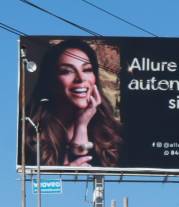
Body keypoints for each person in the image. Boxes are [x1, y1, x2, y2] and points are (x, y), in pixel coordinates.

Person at [25, 39, 123, 168]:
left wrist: (81, 125)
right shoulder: (30, 132)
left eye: (87, 69)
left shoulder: (114, 133)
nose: (80, 78)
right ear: (51, 80)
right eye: (67, 71)